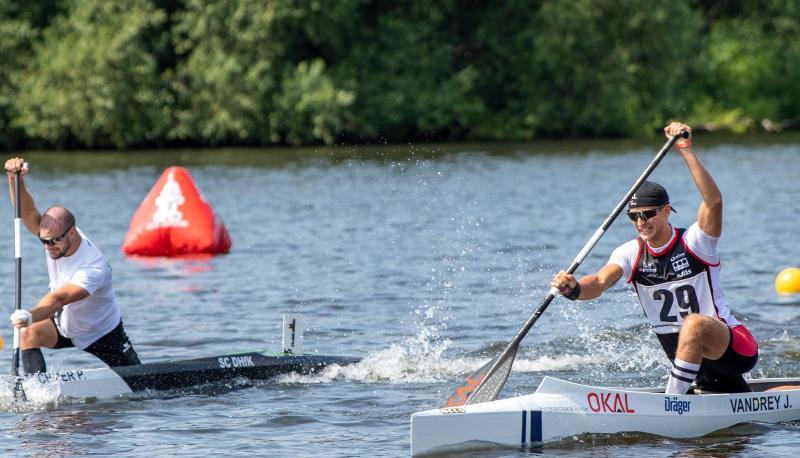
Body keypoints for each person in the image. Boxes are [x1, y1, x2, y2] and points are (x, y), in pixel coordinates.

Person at [550, 122, 758, 394]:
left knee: (693, 323)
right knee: (740, 397)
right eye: (634, 216)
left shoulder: (696, 242)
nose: (640, 221)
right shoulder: (630, 253)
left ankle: (673, 400)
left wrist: (685, 149)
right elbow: (599, 282)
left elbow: (714, 203)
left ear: (667, 211)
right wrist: (574, 288)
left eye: (647, 214)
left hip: (732, 349)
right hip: (691, 360)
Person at [6, 157, 140, 374]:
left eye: (53, 241)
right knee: (28, 335)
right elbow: (29, 213)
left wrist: (29, 315)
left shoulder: (94, 267)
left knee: (142, 384)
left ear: (72, 233)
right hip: (65, 325)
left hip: (101, 332)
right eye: (44, 240)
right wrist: (15, 180)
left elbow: (59, 298)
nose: (48, 246)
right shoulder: (54, 237)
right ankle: (35, 389)